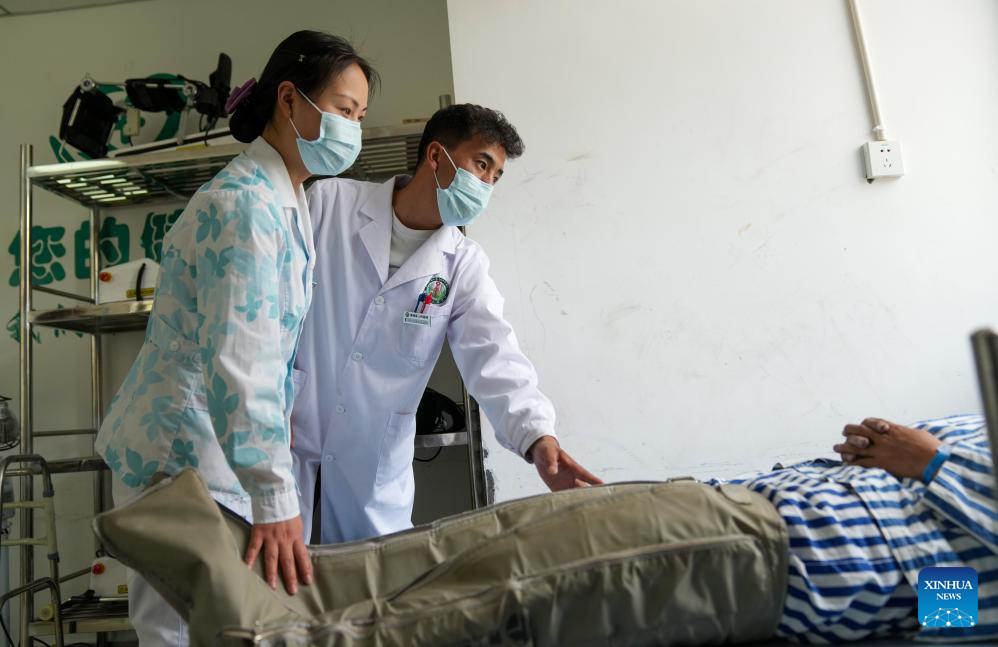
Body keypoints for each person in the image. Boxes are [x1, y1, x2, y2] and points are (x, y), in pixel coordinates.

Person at [94, 414, 998, 645]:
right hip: (754, 510)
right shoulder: (978, 410)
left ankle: (262, 636)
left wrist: (928, 466)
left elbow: (947, 605)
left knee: (510, 589)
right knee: (487, 541)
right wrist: (878, 458)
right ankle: (236, 573)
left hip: (768, 559)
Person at [94, 30, 377, 645]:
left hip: (210, 455)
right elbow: (240, 362)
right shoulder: (244, 207)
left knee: (219, 626)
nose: (353, 128)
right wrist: (276, 499)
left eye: (360, 116)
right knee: (181, 630)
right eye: (343, 109)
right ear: (289, 99)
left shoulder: (285, 200)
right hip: (178, 460)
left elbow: (266, 351)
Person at [292, 103, 602, 544]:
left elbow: (494, 353)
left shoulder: (462, 264)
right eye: (481, 165)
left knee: (367, 580)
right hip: (289, 435)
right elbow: (271, 305)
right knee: (262, 576)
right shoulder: (329, 204)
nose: (485, 185)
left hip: (372, 465)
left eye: (495, 178)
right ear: (436, 156)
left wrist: (537, 437)